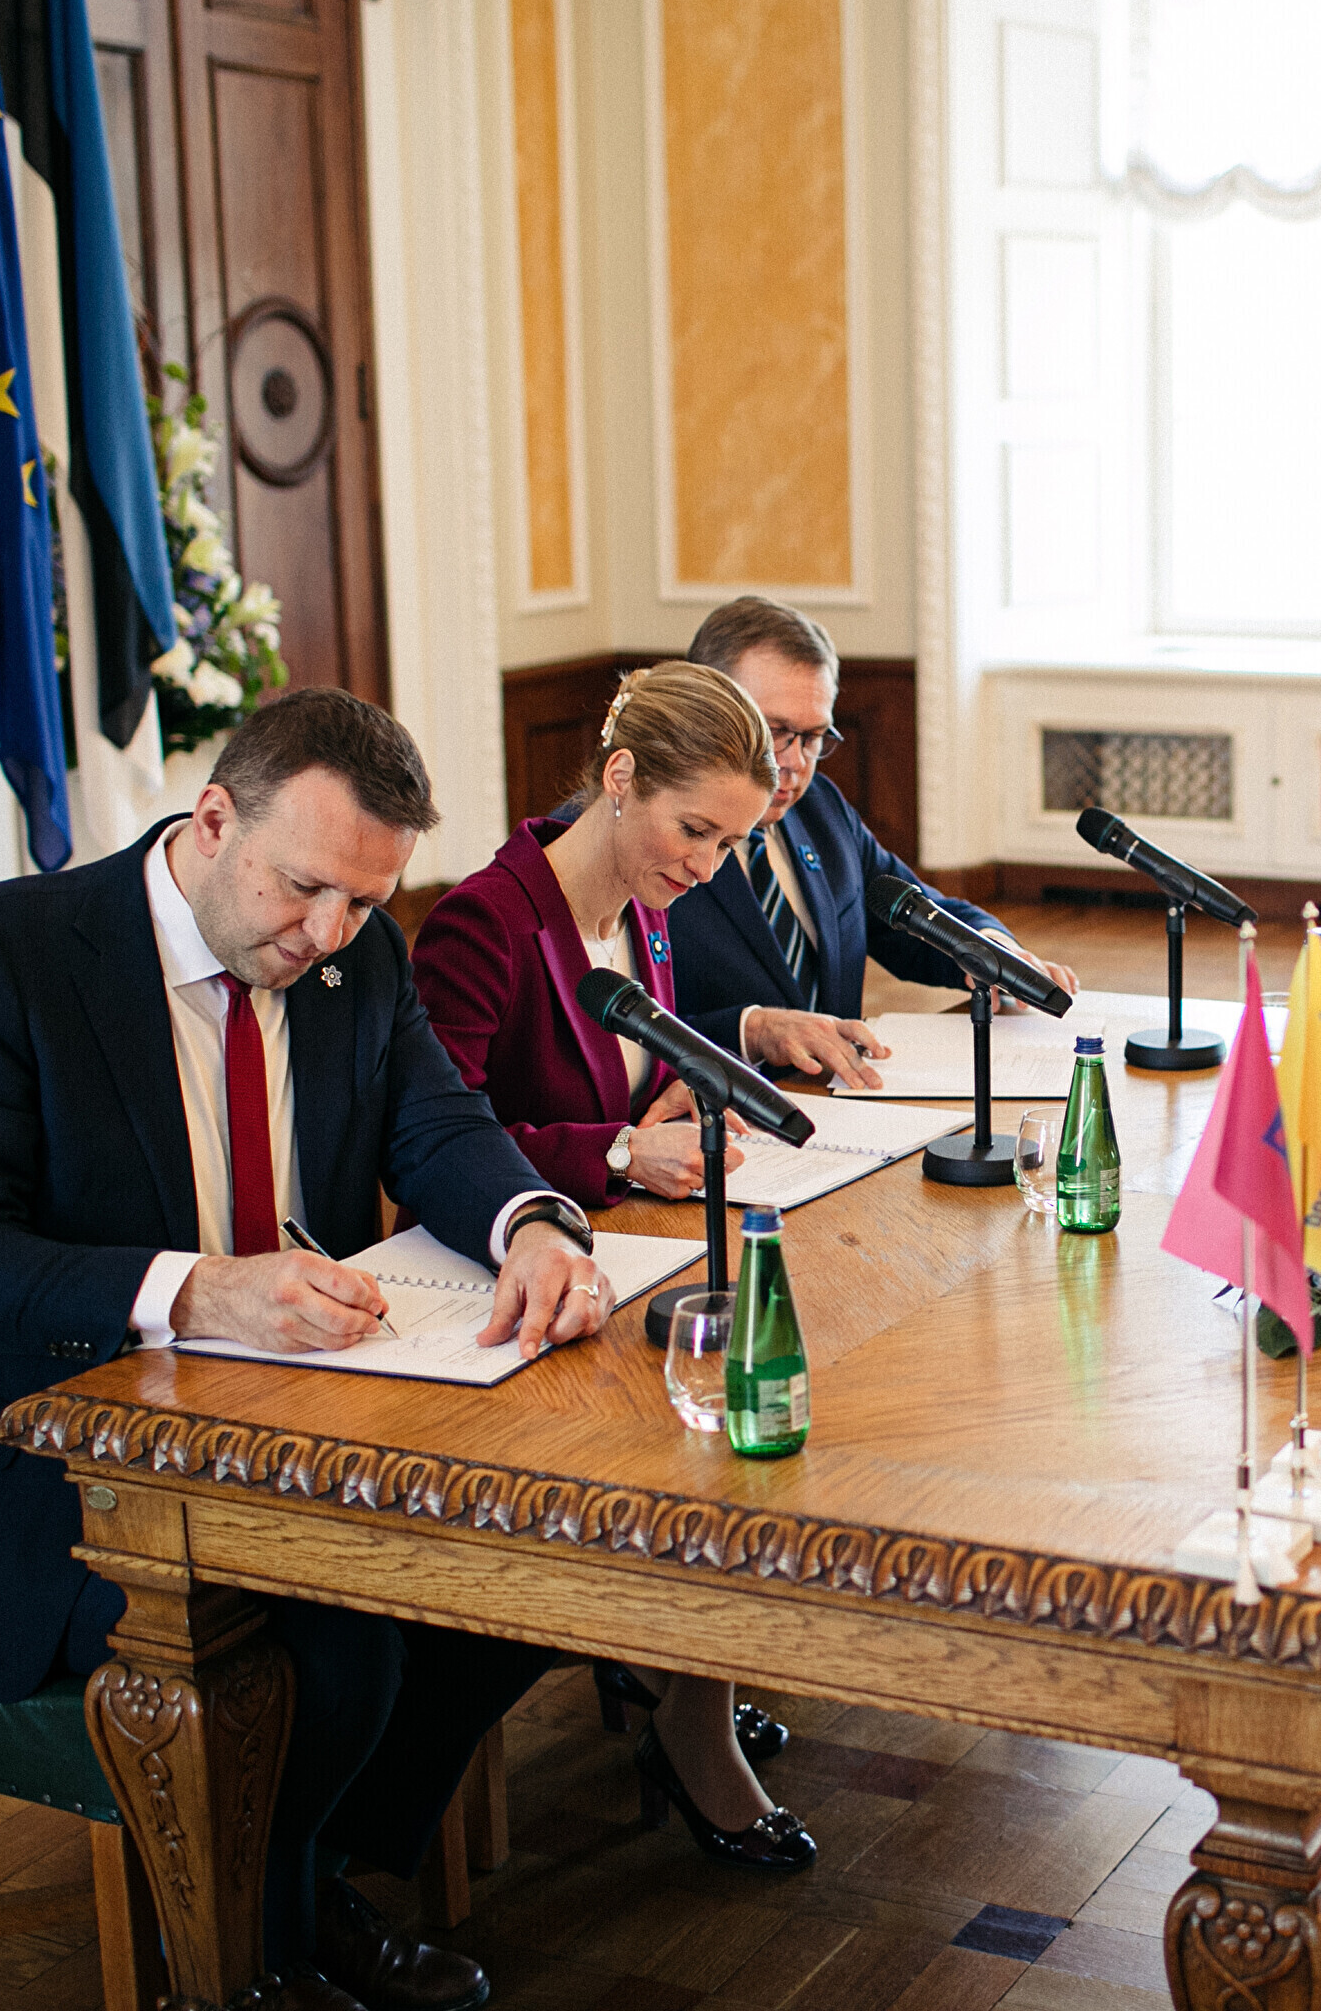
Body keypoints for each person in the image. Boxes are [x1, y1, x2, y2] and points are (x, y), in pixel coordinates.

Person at [0, 689, 611, 2011]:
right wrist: (198, 1292)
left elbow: (437, 1125)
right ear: (214, 818)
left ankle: (299, 1886)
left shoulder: (357, 956)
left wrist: (530, 1223)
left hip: (280, 1426)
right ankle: (245, 1963)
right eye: (305, 889)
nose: (329, 933)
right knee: (334, 1642)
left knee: (519, 1579)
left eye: (364, 900)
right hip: (43, 1460)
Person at [410, 663, 815, 1872]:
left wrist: (677, 1097)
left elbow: (624, 1068)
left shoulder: (646, 904)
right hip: (507, 1291)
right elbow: (438, 1137)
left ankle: (687, 1669)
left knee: (754, 1384)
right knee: (716, 1423)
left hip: (621, 1252)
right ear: (621, 776)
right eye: (696, 830)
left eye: (731, 842)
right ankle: (687, 1709)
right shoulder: (485, 920)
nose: (709, 866)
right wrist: (622, 1148)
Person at [664, 596, 1080, 1088]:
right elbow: (622, 1034)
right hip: (717, 1112)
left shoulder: (819, 808)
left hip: (848, 1103)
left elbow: (912, 916)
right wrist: (751, 1031)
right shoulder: (654, 840)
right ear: (707, 711)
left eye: (814, 737)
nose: (795, 762)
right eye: (775, 731)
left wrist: (989, 947)